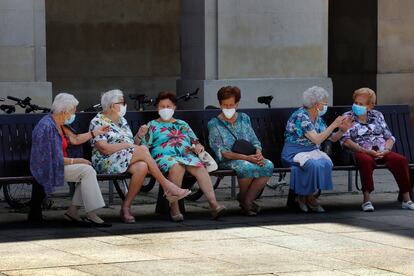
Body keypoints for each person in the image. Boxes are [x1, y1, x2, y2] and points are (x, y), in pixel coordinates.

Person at [89, 89, 191, 223]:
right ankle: (168, 187)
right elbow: (104, 148)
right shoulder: (98, 121)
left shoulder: (122, 121)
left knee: (142, 166)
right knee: (142, 150)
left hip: (124, 159)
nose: (125, 105)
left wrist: (139, 135)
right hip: (106, 160)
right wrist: (127, 146)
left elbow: (133, 145)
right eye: (122, 102)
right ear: (113, 105)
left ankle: (126, 207)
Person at [138, 91, 226, 221]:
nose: (165, 109)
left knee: (199, 167)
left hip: (185, 155)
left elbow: (194, 141)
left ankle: (214, 205)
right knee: (176, 167)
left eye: (169, 106)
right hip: (164, 157)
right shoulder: (152, 125)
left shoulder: (182, 124)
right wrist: (141, 135)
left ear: (174, 107)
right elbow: (145, 146)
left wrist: (198, 146)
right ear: (157, 108)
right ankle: (174, 208)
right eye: (162, 106)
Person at [30, 93, 111, 227]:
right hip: (49, 167)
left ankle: (73, 212)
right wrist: (77, 161)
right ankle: (91, 214)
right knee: (87, 171)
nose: (74, 114)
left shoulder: (60, 124)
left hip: (61, 164)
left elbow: (76, 139)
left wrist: (95, 133)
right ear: (63, 112)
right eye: (73, 111)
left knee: (87, 172)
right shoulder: (45, 127)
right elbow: (50, 159)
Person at [341, 88, 414, 211]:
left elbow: (389, 137)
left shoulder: (377, 115)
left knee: (400, 160)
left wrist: (386, 150)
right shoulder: (348, 117)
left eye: (361, 104)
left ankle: (406, 199)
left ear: (370, 106)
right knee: (366, 161)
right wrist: (365, 151)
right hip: (361, 150)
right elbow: (345, 140)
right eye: (356, 103)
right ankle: (366, 200)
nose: (357, 106)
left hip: (381, 150)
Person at [281, 86, 352, 213]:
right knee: (312, 164)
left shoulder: (318, 118)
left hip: (311, 151)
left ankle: (303, 197)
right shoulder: (301, 116)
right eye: (325, 103)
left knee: (324, 163)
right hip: (294, 153)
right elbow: (317, 140)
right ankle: (309, 198)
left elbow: (332, 138)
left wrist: (342, 130)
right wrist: (334, 124)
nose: (326, 106)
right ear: (316, 104)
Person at [208, 86, 274, 216]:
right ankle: (246, 202)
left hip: (250, 157)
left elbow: (255, 141)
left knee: (268, 165)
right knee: (246, 167)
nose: (228, 108)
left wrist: (258, 154)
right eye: (224, 105)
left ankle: (246, 201)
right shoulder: (214, 124)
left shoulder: (244, 118)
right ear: (220, 104)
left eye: (231, 105)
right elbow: (222, 152)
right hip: (228, 160)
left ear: (237, 104)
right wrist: (247, 158)